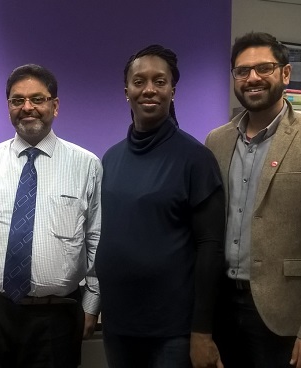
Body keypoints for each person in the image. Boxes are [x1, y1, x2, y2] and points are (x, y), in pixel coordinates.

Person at [205, 32, 301, 368]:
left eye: (264, 68)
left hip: (287, 315)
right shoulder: (216, 141)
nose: (252, 78)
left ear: (285, 74)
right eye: (242, 71)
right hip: (223, 309)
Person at [0, 64, 102, 368]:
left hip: (57, 317)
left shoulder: (87, 165)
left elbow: (97, 239)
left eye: (37, 99)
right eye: (17, 100)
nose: (27, 107)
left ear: (54, 106)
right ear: (8, 108)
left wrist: (92, 304)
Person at [95, 44, 225, 368]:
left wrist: (202, 331)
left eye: (160, 81)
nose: (149, 89)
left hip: (173, 333)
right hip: (118, 326)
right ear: (126, 91)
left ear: (172, 90)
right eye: (139, 81)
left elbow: (210, 246)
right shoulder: (111, 158)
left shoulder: (196, 159)